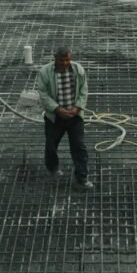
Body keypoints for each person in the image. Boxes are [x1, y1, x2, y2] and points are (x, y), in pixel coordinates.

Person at [35, 47, 93, 191]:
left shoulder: (78, 69)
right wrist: (57, 109)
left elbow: (83, 90)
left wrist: (77, 108)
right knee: (51, 145)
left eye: (67, 59)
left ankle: (81, 179)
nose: (65, 63)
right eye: (62, 60)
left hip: (75, 117)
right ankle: (52, 167)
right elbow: (43, 94)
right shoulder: (45, 72)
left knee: (79, 147)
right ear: (55, 58)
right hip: (55, 117)